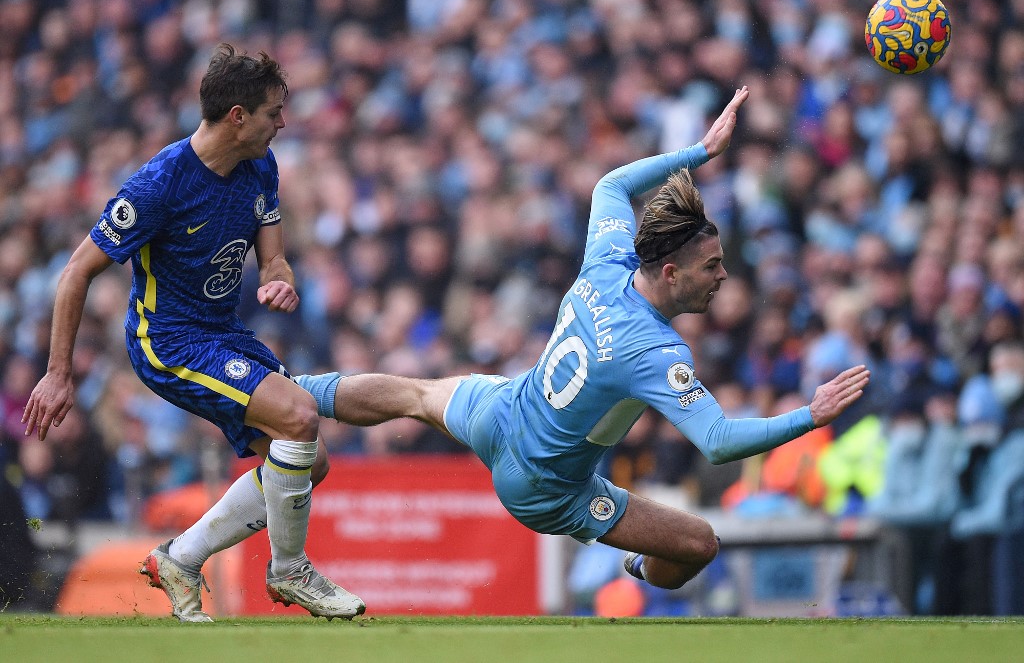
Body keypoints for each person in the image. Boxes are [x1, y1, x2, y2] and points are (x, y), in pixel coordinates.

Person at [295, 86, 871, 591]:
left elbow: (612, 182)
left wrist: (699, 154)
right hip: (544, 488)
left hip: (502, 411)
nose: (723, 275)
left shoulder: (608, 260)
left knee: (413, 395)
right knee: (698, 546)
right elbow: (717, 440)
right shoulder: (657, 352)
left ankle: (295, 391)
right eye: (712, 266)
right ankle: (642, 568)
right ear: (671, 273)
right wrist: (810, 416)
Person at [21, 44, 365, 623]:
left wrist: (279, 280)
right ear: (238, 116)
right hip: (168, 342)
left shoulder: (260, 166)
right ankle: (289, 570)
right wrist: (58, 374)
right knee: (300, 418)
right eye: (274, 112)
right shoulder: (161, 183)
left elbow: (275, 258)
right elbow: (77, 270)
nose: (283, 123)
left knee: (310, 460)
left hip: (222, 332)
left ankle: (181, 558)